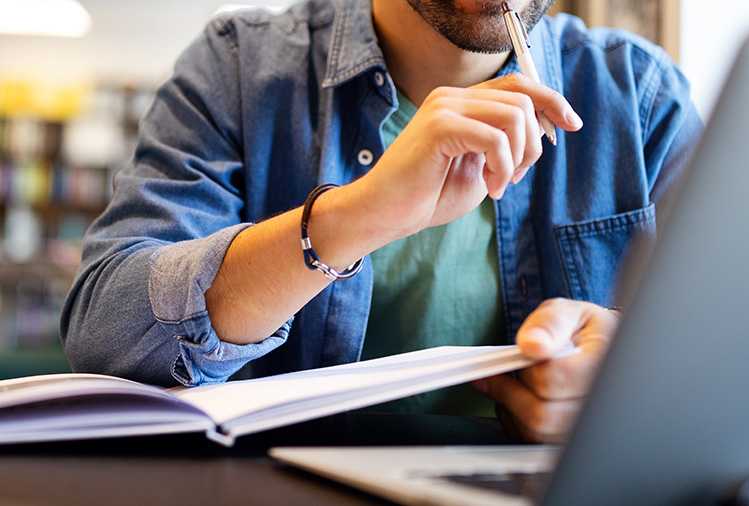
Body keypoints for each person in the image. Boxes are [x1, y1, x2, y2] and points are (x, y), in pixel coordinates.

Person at [61, 0, 702, 443]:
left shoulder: (641, 98)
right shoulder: (240, 68)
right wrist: (351, 217)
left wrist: (627, 382)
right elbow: (106, 333)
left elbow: (742, 365)